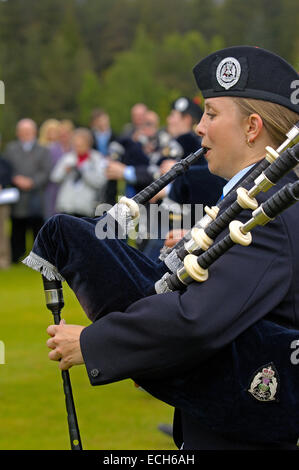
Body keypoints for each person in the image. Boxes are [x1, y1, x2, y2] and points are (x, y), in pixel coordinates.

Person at [32, 46, 299, 450]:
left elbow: (196, 319)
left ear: (252, 128)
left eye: (211, 113)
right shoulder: (256, 201)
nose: (199, 127)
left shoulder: (267, 214)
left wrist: (91, 342)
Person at [3, 118, 51, 263]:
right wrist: (15, 179)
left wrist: (32, 182)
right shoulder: (11, 149)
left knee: (38, 229)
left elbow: (46, 171)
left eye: (28, 131)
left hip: (37, 195)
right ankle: (16, 257)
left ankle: (40, 259)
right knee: (17, 228)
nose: (25, 134)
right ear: (18, 133)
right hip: (17, 197)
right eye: (22, 131)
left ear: (34, 132)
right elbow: (5, 169)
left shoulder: (43, 150)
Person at [50, 127, 107, 218]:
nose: (77, 148)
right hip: (66, 207)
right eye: (75, 145)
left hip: (85, 208)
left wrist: (85, 171)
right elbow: (55, 177)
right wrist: (65, 170)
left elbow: (100, 182)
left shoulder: (97, 158)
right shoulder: (68, 157)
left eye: (81, 145)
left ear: (88, 144)